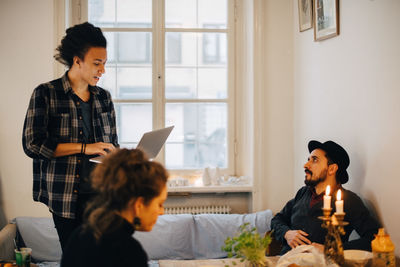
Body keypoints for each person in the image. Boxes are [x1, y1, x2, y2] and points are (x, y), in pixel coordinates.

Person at [22, 22, 118, 251]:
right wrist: (85, 148)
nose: (102, 70)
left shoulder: (104, 98)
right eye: (97, 63)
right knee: (75, 258)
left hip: (101, 196)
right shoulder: (46, 93)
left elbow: (111, 143)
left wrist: (117, 155)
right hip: (65, 197)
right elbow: (32, 145)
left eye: (104, 64)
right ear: (77, 60)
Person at [61, 148, 168, 267]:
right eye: (160, 204)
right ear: (139, 205)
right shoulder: (129, 252)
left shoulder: (80, 234)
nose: (161, 212)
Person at [271, 140, 380, 255]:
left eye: (314, 160)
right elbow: (277, 220)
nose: (306, 165)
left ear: (332, 169)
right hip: (286, 260)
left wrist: (332, 249)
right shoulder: (303, 193)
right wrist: (287, 233)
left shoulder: (349, 201)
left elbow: (374, 238)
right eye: (308, 160)